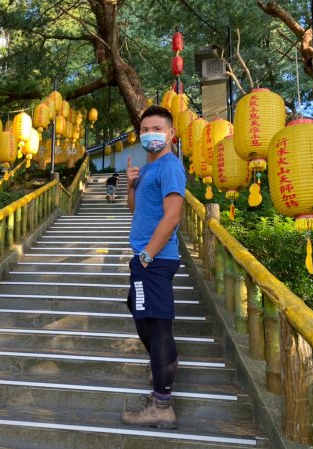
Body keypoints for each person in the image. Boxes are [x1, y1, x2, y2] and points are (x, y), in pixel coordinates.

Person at [122, 105, 186, 429]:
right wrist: (132, 185)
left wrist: (147, 255)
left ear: (171, 134)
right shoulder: (148, 169)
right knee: (141, 314)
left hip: (155, 259)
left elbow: (173, 215)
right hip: (145, 259)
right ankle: (165, 363)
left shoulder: (170, 167)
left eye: (156, 128)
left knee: (157, 325)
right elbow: (135, 210)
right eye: (145, 129)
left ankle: (162, 404)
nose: (149, 134)